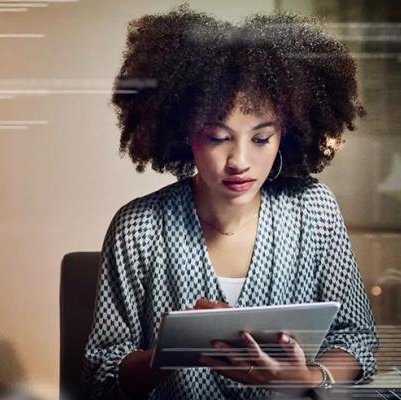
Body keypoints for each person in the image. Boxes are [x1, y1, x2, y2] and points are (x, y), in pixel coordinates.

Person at [83, 5, 379, 400]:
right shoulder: (139, 226)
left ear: (286, 136)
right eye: (217, 137)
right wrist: (176, 350)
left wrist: (306, 379)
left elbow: (356, 337)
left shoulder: (313, 210)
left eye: (261, 138)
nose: (240, 160)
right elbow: (103, 371)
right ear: (183, 134)